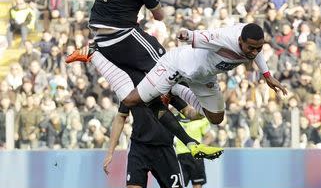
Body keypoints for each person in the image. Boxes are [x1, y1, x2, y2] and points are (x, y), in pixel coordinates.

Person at [30, 0, 222, 159]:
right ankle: (188, 108)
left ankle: (191, 143)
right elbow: (159, 16)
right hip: (122, 36)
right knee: (169, 66)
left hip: (103, 39)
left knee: (149, 95)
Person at [69, 23, 287, 125]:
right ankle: (94, 53)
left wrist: (267, 76)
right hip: (177, 66)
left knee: (216, 119)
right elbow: (200, 35)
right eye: (251, 48)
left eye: (259, 48)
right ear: (240, 41)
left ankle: (176, 91)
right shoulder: (224, 38)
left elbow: (256, 54)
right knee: (131, 99)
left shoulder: (252, 45)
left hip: (204, 78)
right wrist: (186, 34)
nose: (255, 52)